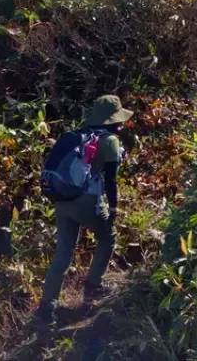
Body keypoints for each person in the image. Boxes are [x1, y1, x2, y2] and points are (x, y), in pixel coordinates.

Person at [33, 94, 133, 327]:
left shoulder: (75, 135)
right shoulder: (109, 140)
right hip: (88, 200)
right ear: (113, 121)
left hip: (62, 200)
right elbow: (111, 181)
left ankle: (46, 309)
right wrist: (115, 208)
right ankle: (93, 288)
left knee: (63, 254)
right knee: (107, 238)